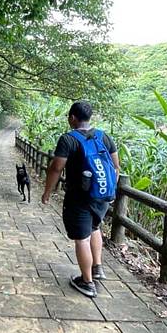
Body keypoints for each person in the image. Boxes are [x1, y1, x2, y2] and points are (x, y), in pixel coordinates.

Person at [41, 101, 120, 298]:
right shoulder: (104, 136)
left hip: (79, 197)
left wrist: (47, 192)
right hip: (102, 196)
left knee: (81, 238)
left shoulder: (69, 139)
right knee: (94, 228)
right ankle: (97, 268)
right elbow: (116, 167)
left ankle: (87, 282)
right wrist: (108, 190)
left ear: (72, 118)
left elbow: (56, 168)